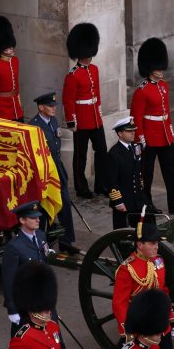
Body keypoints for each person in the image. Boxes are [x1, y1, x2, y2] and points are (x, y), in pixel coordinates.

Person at [2, 201, 82, 349]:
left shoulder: (41, 236)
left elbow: (44, 262)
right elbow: (9, 280)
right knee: (25, 343)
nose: (38, 221)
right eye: (32, 218)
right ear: (22, 221)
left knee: (55, 338)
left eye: (38, 218)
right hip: (26, 304)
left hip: (44, 300)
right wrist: (11, 307)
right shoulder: (14, 247)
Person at [112, 220, 174, 349]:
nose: (156, 247)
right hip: (141, 329)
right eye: (152, 243)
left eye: (157, 243)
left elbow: (163, 292)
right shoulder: (127, 269)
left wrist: (172, 321)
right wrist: (127, 331)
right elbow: (120, 303)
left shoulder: (159, 262)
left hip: (161, 326)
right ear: (139, 244)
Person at [130, 37, 174, 214]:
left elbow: (166, 112)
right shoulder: (142, 91)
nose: (161, 71)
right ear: (149, 68)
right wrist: (141, 139)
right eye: (158, 67)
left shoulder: (164, 87)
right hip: (150, 138)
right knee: (147, 174)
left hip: (164, 135)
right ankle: (147, 204)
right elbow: (136, 118)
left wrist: (170, 131)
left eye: (162, 67)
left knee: (171, 171)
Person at [28, 91, 78, 253]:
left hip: (57, 170)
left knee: (64, 205)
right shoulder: (35, 126)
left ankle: (66, 241)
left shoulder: (54, 121)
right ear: (41, 107)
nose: (54, 108)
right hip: (44, 174)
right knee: (42, 209)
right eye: (50, 106)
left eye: (54, 106)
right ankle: (41, 243)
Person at [62, 22, 107, 199]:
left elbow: (97, 93)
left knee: (102, 151)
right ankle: (81, 187)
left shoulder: (94, 70)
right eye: (86, 54)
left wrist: (100, 112)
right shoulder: (72, 76)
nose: (88, 57)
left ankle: (101, 185)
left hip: (95, 118)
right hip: (81, 119)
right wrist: (71, 121)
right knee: (80, 156)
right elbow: (68, 100)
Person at [7, 262, 64, 349]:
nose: (49, 312)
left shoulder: (53, 327)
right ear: (32, 310)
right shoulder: (22, 338)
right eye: (44, 310)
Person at [107, 117, 147, 230]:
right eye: (129, 131)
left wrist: (141, 192)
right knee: (122, 232)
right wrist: (118, 202)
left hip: (137, 199)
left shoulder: (136, 147)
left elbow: (138, 172)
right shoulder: (114, 154)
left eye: (133, 130)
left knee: (140, 231)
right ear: (120, 133)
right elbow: (111, 181)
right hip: (124, 200)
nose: (133, 133)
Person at [0, 15, 24, 121]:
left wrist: (19, 105)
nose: (10, 48)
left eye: (10, 46)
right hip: (2, 110)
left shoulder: (15, 61)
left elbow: (16, 87)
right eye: (7, 47)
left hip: (16, 108)